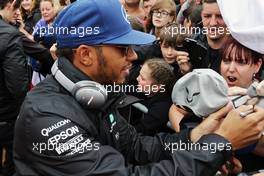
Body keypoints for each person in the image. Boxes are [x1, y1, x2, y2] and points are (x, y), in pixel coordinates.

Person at [13, 0, 264, 175]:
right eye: (123, 48)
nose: (133, 56)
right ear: (85, 55)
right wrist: (219, 143)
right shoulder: (46, 118)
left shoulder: (98, 94)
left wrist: (196, 136)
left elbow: (140, 149)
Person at [0, 0, 29, 175]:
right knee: (15, 163)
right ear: (11, 4)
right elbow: (17, 85)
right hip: (6, 117)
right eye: (16, 8)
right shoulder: (10, 35)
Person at [133, 58, 175, 135]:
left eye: (142, 79)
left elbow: (138, 131)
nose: (137, 78)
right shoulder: (143, 87)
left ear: (156, 87)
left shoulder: (161, 109)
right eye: (139, 74)